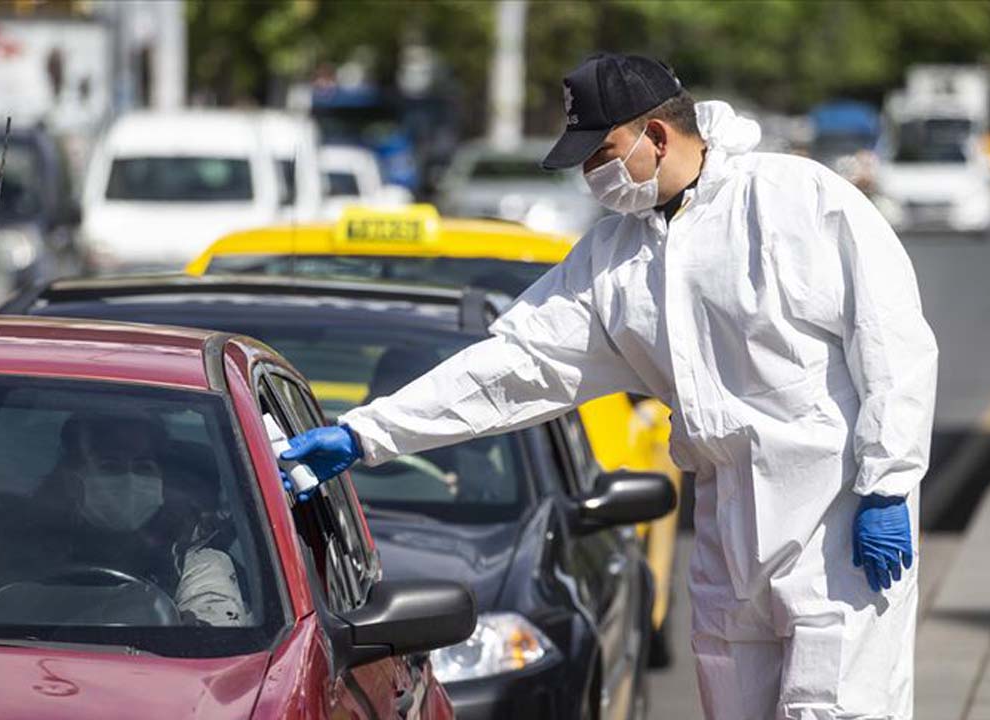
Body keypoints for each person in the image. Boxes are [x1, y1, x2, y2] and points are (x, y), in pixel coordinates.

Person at [282, 53, 937, 719]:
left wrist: (885, 483)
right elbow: (512, 367)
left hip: (836, 521)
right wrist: (366, 433)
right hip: (726, 523)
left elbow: (892, 344)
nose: (592, 174)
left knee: (837, 710)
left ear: (656, 135)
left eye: (602, 152)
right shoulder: (615, 259)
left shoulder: (798, 202)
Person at [39, 412, 251, 627]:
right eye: (110, 467)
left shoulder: (193, 557)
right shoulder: (31, 542)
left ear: (161, 479)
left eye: (143, 467)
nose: (130, 481)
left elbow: (212, 638)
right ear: (73, 479)